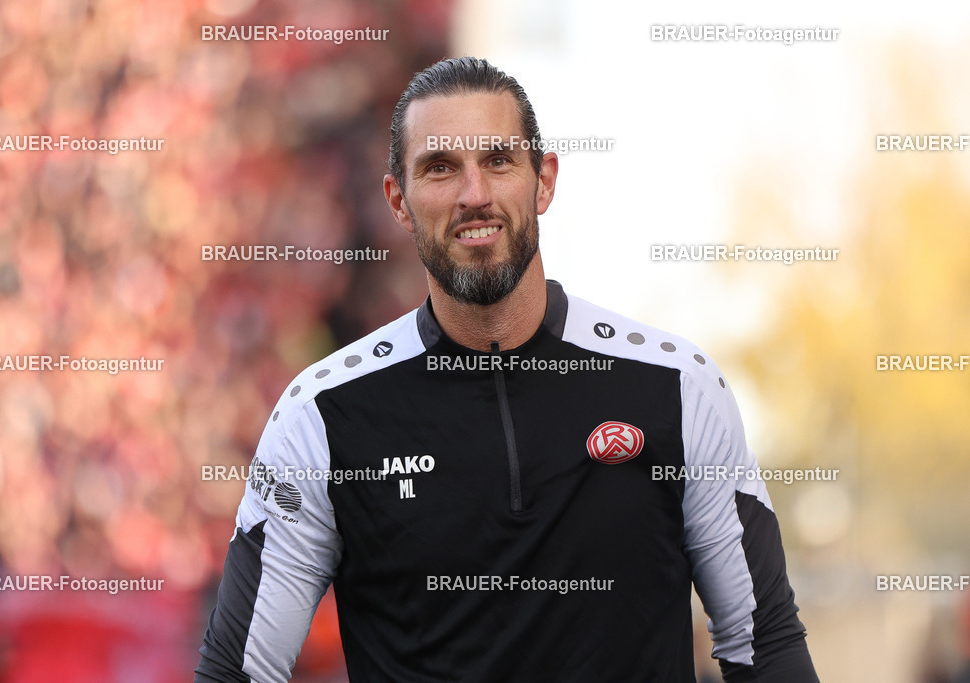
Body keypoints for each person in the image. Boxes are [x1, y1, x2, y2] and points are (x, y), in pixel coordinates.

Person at [195, 56, 819, 682]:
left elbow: (765, 649)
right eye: (440, 168)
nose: (474, 195)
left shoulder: (678, 389)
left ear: (543, 180)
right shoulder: (322, 416)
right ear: (399, 200)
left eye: (497, 161)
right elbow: (237, 671)